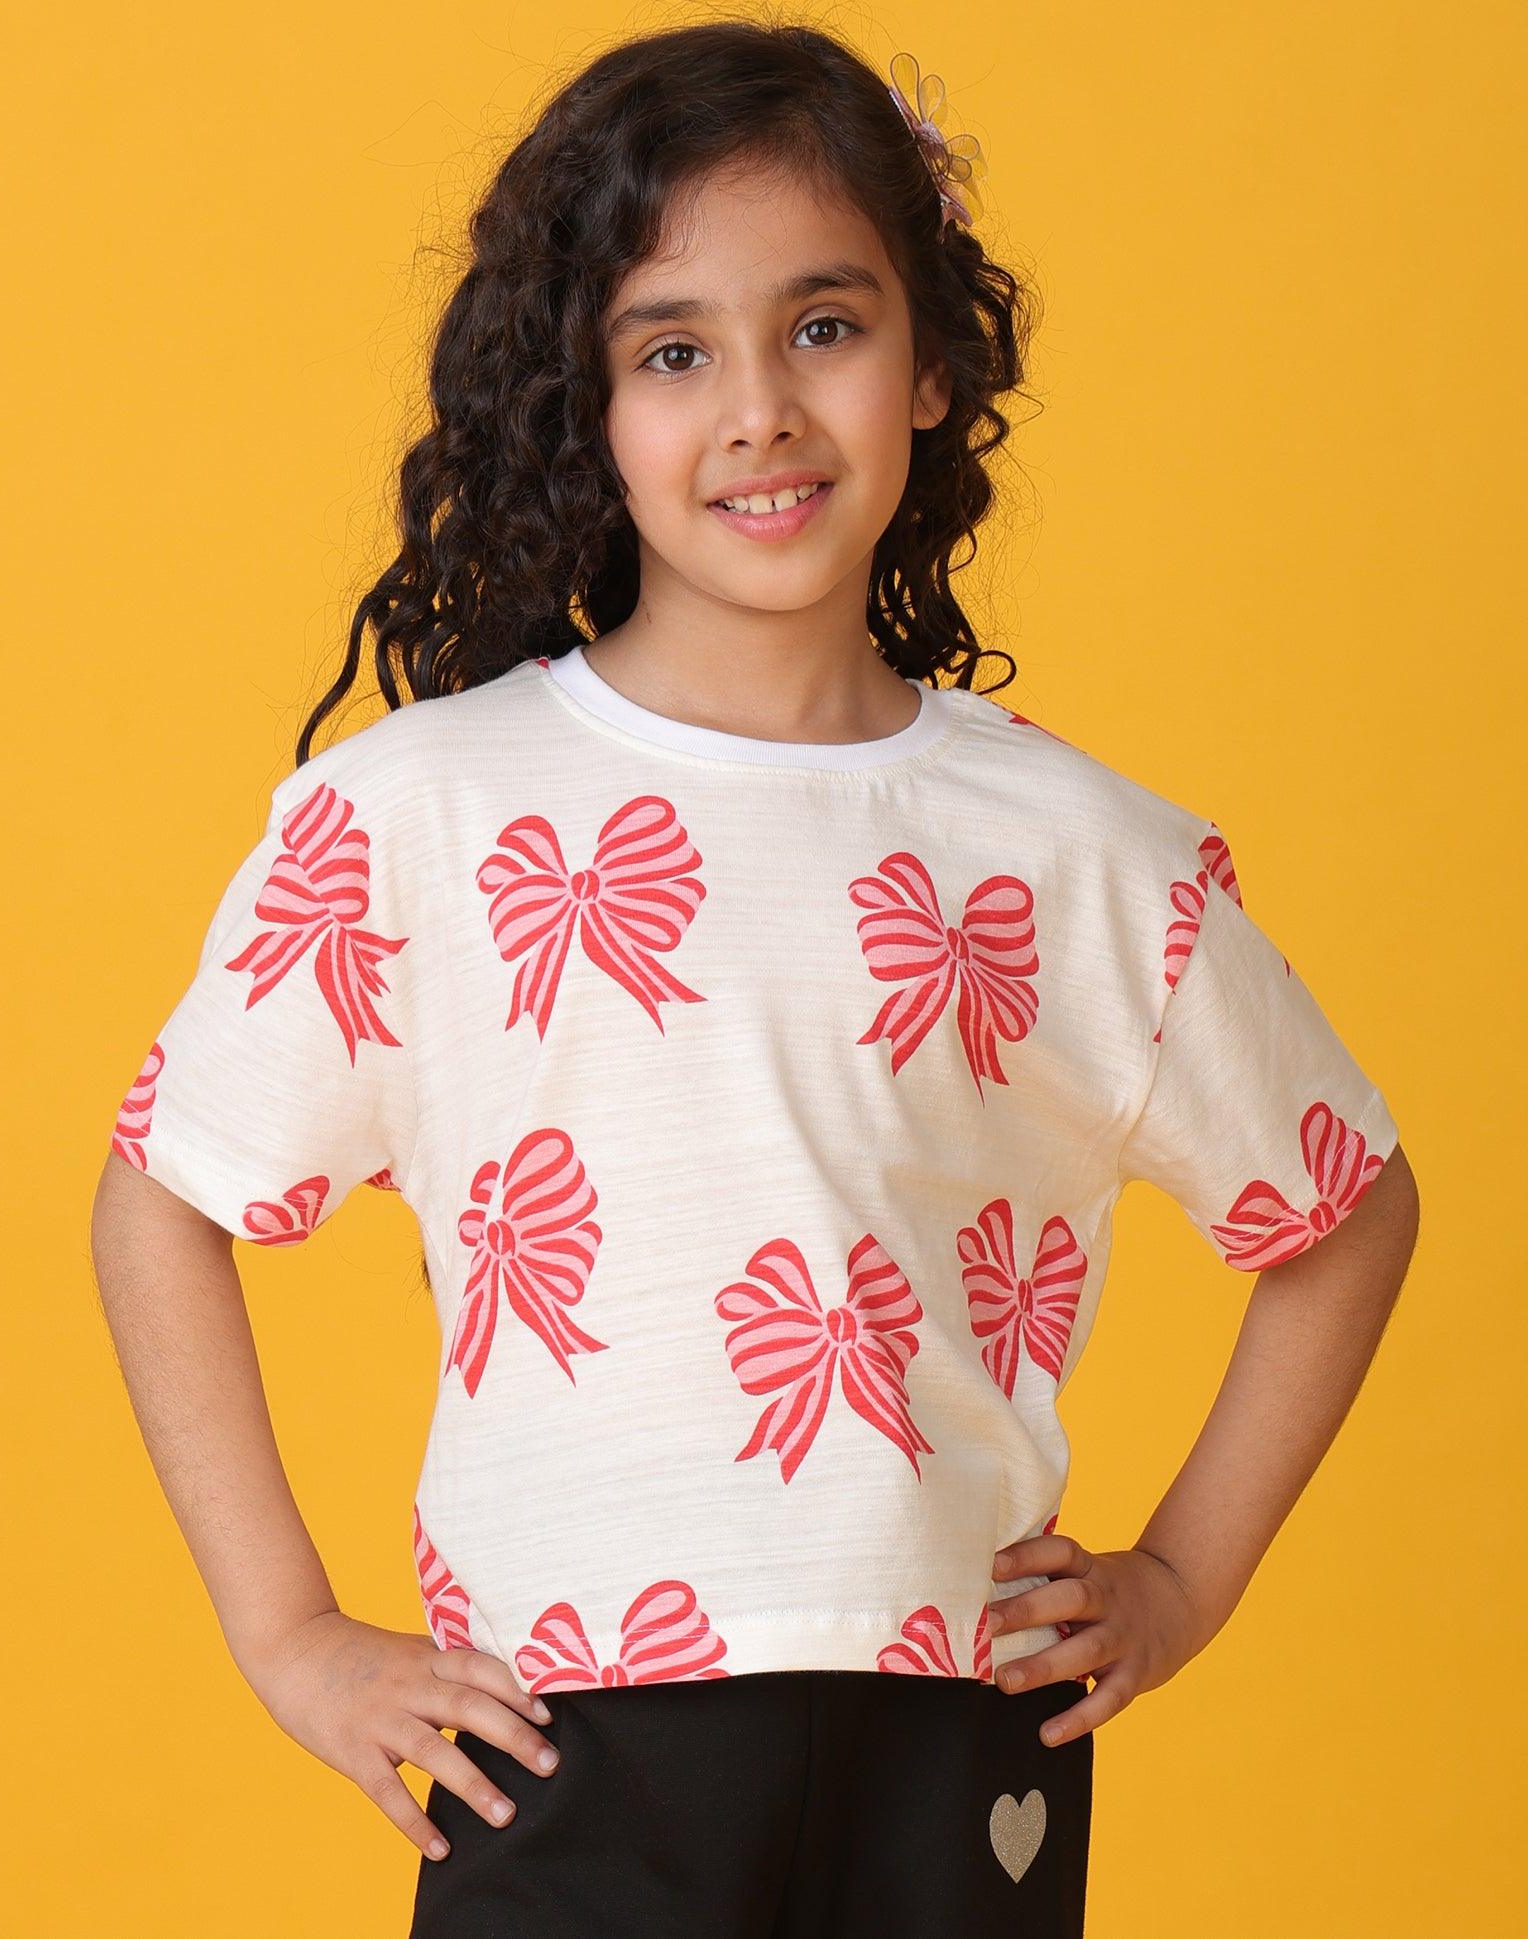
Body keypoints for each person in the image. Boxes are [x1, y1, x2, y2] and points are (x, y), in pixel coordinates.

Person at [89, 20, 1420, 1938]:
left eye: (825, 325)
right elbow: (165, 1193)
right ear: (586, 403)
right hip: (561, 1739)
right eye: (673, 352)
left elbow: (1347, 1207)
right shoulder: (419, 814)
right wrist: (290, 1634)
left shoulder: (1086, 854)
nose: (761, 411)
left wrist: (1184, 1579)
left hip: (957, 1724)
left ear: (931, 363)